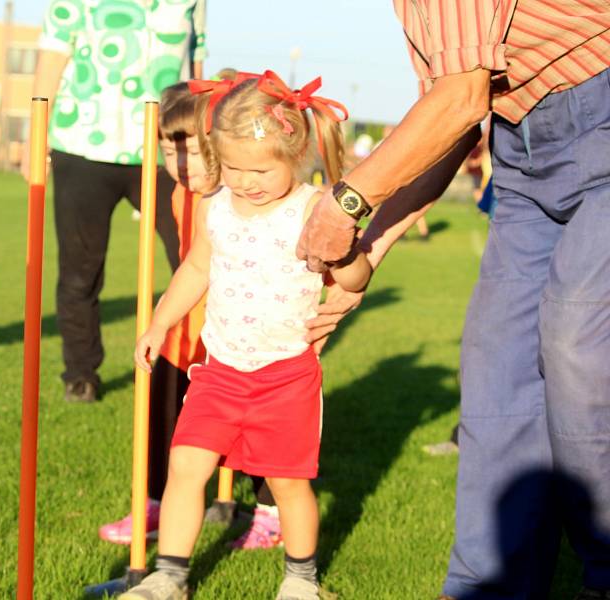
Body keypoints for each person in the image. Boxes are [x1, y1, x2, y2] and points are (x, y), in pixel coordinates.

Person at [297, 3, 610, 599]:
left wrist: (345, 203)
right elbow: (454, 122)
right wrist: (368, 253)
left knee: (577, 345)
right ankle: (487, 586)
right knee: (495, 365)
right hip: (520, 152)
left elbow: (460, 101)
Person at [120, 70, 371, 600]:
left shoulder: (311, 209)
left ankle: (301, 580)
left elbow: (355, 278)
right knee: (186, 465)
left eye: (259, 169)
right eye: (231, 166)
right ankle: (170, 576)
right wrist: (161, 322)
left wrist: (344, 253)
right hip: (220, 370)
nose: (244, 180)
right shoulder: (216, 208)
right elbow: (195, 269)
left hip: (285, 374)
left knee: (288, 483)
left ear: (296, 155)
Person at [96, 78, 288, 549]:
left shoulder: (240, 199)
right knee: (164, 411)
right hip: (187, 329)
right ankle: (159, 501)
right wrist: (163, 322)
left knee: (260, 426)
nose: (181, 165)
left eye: (195, 153)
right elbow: (192, 266)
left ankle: (271, 511)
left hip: (245, 333)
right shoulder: (182, 195)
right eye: (168, 152)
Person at [26, 0, 207, 402]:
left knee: (195, 259)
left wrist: (203, 143)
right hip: (83, 146)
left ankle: (196, 367)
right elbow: (51, 64)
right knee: (80, 271)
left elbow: (197, 74)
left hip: (167, 153)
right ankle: (81, 372)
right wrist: (33, 141)